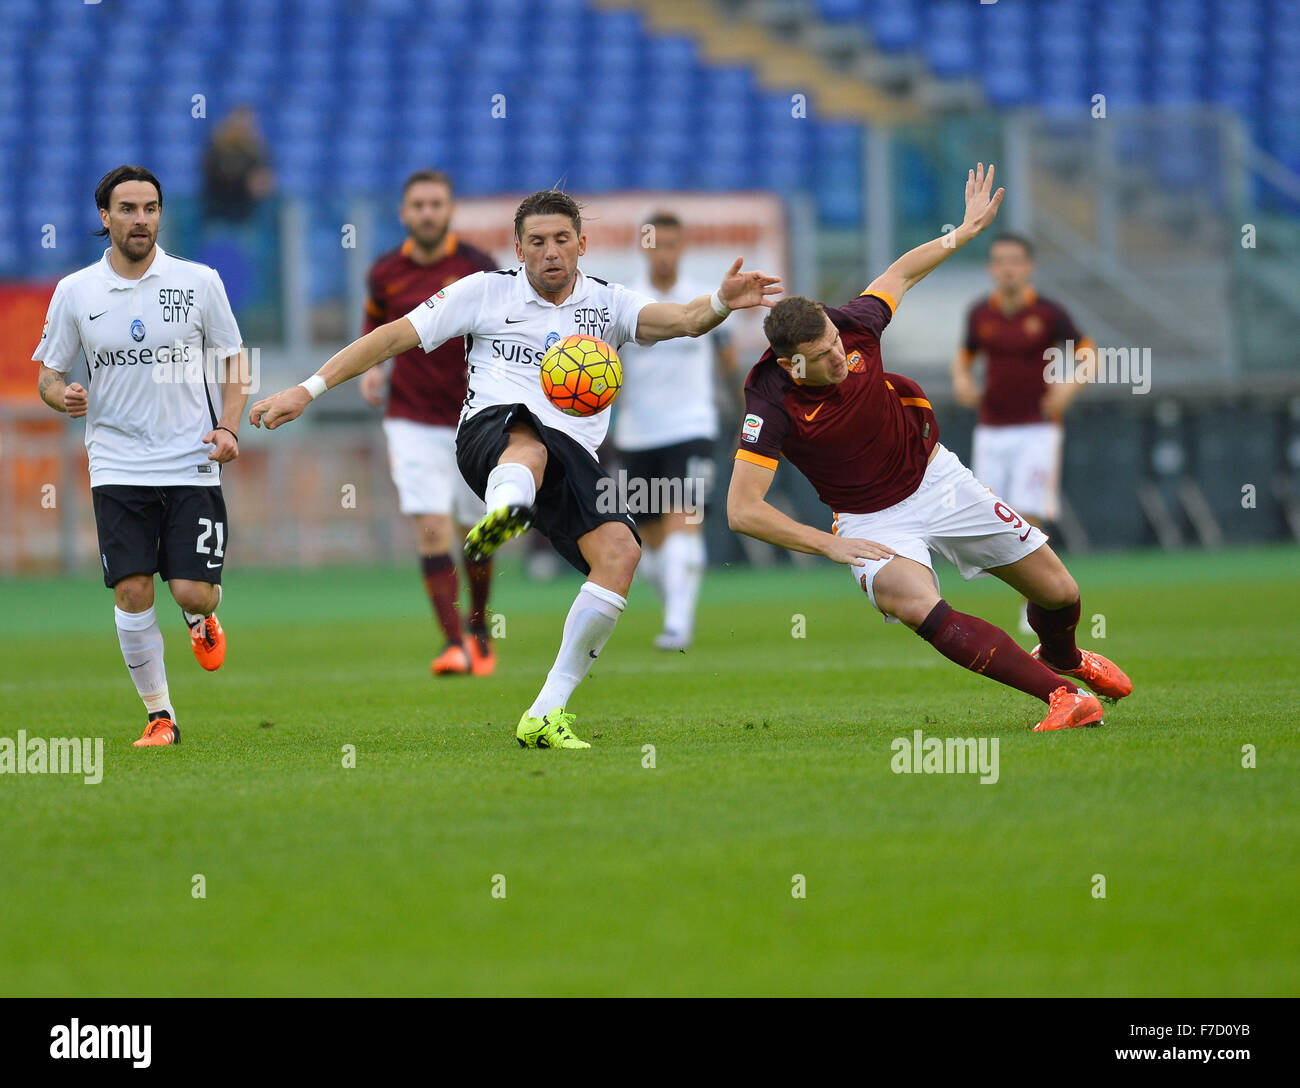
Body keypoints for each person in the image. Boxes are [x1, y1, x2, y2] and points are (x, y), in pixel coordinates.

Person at [249, 189, 781, 749]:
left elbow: (681, 319)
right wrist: (307, 389)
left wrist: (721, 302)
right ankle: (507, 510)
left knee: (621, 555)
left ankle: (546, 710)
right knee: (530, 438)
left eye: (560, 240)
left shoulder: (609, 304)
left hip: (572, 455)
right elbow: (393, 336)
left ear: (582, 243)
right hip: (491, 433)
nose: (550, 252)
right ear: (518, 248)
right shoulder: (485, 291)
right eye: (537, 242)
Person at [726, 164, 1131, 734]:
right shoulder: (768, 399)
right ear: (792, 363)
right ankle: (1063, 695)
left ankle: (1063, 657)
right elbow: (742, 510)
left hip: (937, 480)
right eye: (823, 354)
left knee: (1061, 593)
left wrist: (960, 235)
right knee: (912, 601)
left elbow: (899, 274)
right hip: (871, 519)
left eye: (838, 342)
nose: (840, 355)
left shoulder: (852, 328)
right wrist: (828, 545)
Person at [34, 165, 249, 747]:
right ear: (105, 218)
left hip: (190, 460)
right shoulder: (75, 291)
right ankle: (161, 717)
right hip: (116, 464)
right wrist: (63, 395)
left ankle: (201, 616)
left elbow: (235, 361)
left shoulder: (198, 282)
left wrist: (228, 425)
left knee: (190, 591)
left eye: (150, 208)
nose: (140, 219)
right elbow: (48, 375)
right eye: (127, 209)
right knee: (131, 589)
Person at [359, 170, 499, 676]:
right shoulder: (384, 272)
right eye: (417, 204)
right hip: (410, 417)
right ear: (403, 213)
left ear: (450, 209)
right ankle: (453, 643)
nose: (427, 212)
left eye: (436, 203)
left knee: (475, 535)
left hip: (472, 419)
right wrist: (374, 368)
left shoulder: (477, 268)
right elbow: (375, 325)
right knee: (431, 525)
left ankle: (480, 628)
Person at [951, 234, 1094, 629]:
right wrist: (963, 382)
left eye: (1015, 260)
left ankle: (1036, 604)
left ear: (1028, 266)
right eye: (1000, 261)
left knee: (1028, 515)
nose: (1007, 268)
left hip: (1038, 429)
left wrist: (1068, 387)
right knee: (993, 516)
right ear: (991, 268)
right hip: (992, 429)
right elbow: (964, 358)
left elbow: (1088, 353)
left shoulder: (1048, 313)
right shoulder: (980, 313)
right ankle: (1023, 592)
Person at [612, 211, 739, 651]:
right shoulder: (624, 302)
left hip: (691, 427)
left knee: (685, 518)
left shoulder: (704, 300)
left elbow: (728, 362)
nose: (663, 253)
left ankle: (677, 625)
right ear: (644, 247)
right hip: (635, 433)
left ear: (681, 247)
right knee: (649, 542)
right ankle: (674, 612)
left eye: (671, 244)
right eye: (655, 244)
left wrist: (744, 420)